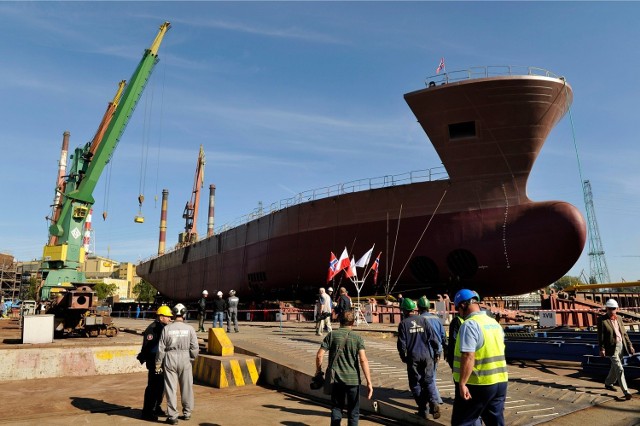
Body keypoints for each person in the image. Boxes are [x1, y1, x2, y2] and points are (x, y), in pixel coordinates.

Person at [451, 289, 508, 426]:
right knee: (495, 421)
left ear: (463, 305)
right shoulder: (494, 323)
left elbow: (468, 355)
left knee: (463, 421)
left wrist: (462, 383)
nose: (458, 312)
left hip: (478, 383)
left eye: (458, 308)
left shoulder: (470, 324)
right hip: (500, 382)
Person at [315, 310, 373, 426]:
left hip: (336, 380)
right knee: (353, 412)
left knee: (336, 409)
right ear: (353, 322)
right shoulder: (357, 338)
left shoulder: (331, 335)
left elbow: (319, 355)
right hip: (353, 380)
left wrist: (318, 371)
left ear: (339, 321)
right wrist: (369, 382)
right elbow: (363, 359)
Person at [397, 298, 441, 420]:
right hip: (427, 356)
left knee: (415, 384)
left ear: (405, 310)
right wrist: (437, 352)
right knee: (429, 380)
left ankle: (423, 410)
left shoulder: (403, 324)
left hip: (413, 357)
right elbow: (433, 337)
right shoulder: (423, 320)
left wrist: (403, 356)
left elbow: (402, 344)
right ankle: (434, 402)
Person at [156, 303, 199, 425]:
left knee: (170, 388)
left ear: (173, 314)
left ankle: (172, 416)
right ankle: (187, 412)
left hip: (170, 358)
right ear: (184, 314)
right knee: (187, 387)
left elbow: (161, 349)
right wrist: (191, 358)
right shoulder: (190, 329)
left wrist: (158, 363)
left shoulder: (166, 329)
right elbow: (195, 348)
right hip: (185, 358)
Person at [137, 305, 173, 421]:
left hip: (161, 362)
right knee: (153, 387)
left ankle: (156, 407)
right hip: (154, 362)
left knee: (161, 387)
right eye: (168, 317)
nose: (170, 319)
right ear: (161, 317)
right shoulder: (152, 329)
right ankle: (147, 412)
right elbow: (149, 348)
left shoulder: (163, 327)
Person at [598, 299, 634, 400]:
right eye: (609, 309)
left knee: (615, 367)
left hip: (621, 345)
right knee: (620, 368)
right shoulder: (602, 320)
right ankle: (626, 391)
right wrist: (602, 348)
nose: (611, 311)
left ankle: (608, 383)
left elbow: (624, 333)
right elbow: (600, 336)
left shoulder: (619, 318)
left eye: (613, 309)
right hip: (611, 347)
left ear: (616, 309)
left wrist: (630, 345)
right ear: (606, 309)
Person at [418, 296, 445, 405]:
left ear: (418, 307)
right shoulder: (436, 319)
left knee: (428, 377)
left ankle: (436, 399)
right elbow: (443, 336)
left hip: (427, 351)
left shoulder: (420, 320)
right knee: (432, 374)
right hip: (437, 350)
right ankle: (434, 397)